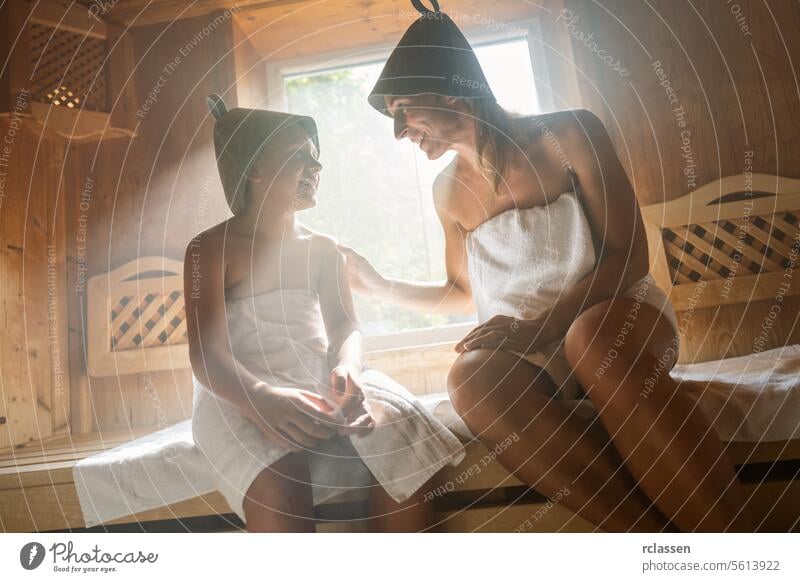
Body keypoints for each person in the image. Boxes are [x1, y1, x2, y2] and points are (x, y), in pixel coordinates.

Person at [338, 0, 757, 532]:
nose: (398, 132)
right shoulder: (447, 192)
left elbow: (628, 255)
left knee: (590, 338)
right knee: (471, 380)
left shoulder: (571, 134)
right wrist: (379, 285)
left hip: (614, 318)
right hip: (529, 350)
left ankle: (736, 545)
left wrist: (540, 326)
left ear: (450, 90)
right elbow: (460, 292)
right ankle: (651, 544)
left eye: (402, 110)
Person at [185, 94, 464, 532]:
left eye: (317, 160)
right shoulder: (210, 249)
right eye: (299, 157)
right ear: (254, 169)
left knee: (401, 436)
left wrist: (347, 368)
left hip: (315, 367)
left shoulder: (321, 250)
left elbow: (344, 326)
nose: (316, 170)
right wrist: (259, 399)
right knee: (282, 481)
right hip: (238, 380)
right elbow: (206, 351)